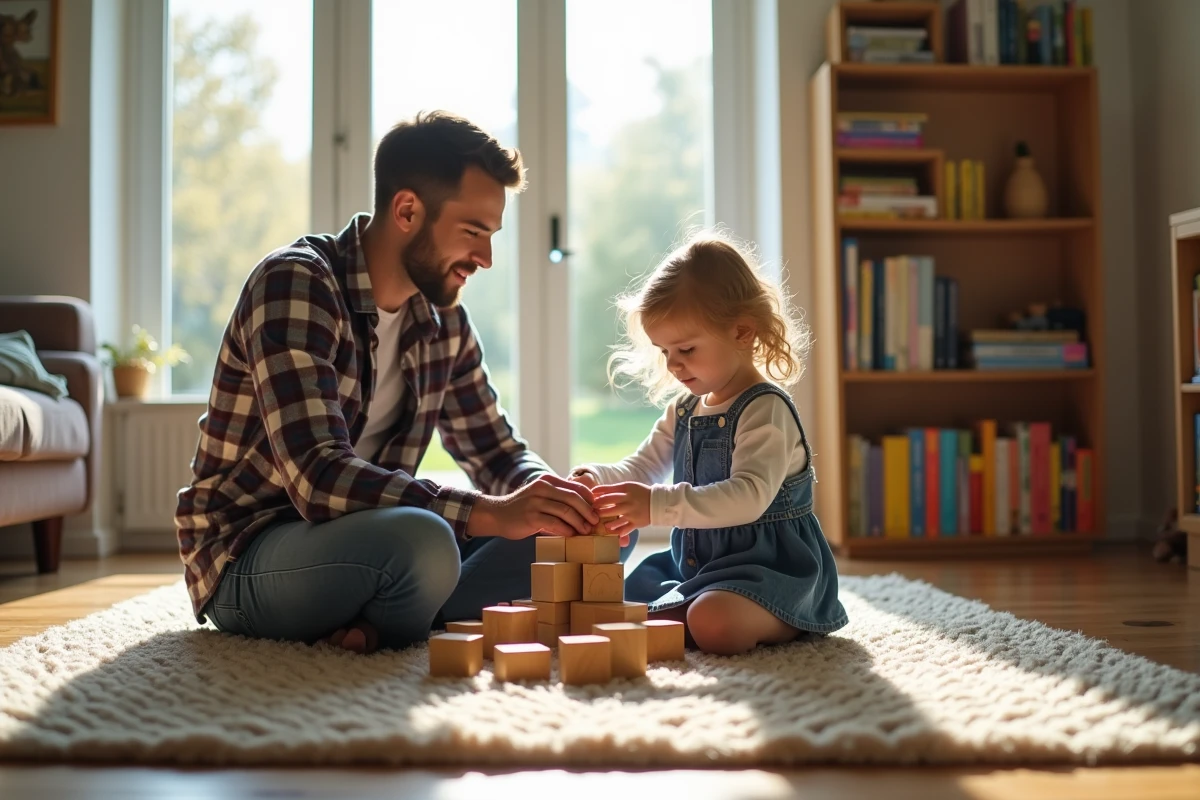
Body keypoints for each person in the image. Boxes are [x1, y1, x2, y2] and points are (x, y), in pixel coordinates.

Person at [176, 111, 632, 655]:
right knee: (425, 542)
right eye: (473, 233)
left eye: (491, 237)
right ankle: (412, 607)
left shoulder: (444, 323)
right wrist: (489, 513)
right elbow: (317, 478)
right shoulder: (296, 282)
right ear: (408, 210)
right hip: (251, 550)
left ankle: (389, 617)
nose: (485, 259)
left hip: (380, 541)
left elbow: (495, 452)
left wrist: (561, 500)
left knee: (598, 535)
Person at [567, 231, 847, 655]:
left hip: (771, 571)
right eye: (664, 351)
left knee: (713, 621)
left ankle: (784, 619)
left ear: (742, 332)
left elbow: (748, 497)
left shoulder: (765, 408)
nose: (673, 364)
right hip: (698, 566)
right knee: (618, 601)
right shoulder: (684, 409)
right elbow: (643, 467)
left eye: (686, 349)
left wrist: (656, 506)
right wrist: (597, 478)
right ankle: (685, 611)